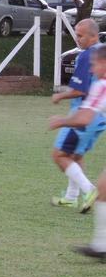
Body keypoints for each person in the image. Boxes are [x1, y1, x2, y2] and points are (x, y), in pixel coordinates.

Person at [49, 44, 106, 259]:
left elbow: (84, 119)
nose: (91, 70)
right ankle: (101, 247)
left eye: (94, 65)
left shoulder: (101, 86)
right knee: (102, 189)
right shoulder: (100, 85)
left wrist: (61, 121)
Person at [50, 19, 105, 211]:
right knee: (76, 154)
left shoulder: (87, 56)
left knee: (59, 155)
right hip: (100, 117)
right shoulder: (102, 51)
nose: (77, 38)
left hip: (84, 114)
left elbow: (80, 90)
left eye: (80, 35)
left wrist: (60, 95)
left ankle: (89, 190)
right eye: (76, 33)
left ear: (93, 36)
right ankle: (71, 196)